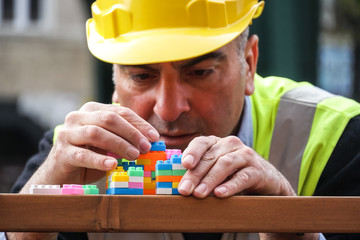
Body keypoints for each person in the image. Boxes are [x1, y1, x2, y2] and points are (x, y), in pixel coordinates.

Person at [6, 0, 360, 239]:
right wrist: (35, 217)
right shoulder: (78, 152)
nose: (168, 109)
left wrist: (294, 228)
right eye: (142, 77)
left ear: (249, 65)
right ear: (114, 82)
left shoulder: (335, 137)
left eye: (200, 72)